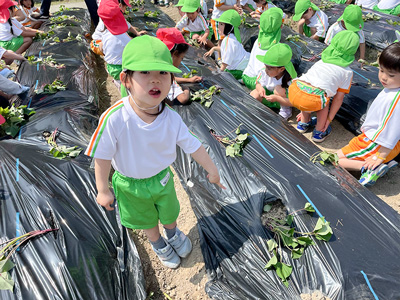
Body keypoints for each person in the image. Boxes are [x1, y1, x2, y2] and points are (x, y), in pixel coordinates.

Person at [85, 35, 225, 268]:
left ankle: (172, 233)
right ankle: (157, 242)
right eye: (145, 73)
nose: (155, 81)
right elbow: (102, 155)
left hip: (161, 178)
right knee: (146, 219)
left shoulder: (171, 118)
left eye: (162, 73)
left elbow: (193, 145)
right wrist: (103, 189)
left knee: (169, 211)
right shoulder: (115, 118)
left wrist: (212, 170)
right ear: (126, 79)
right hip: (130, 185)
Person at [266, 30, 359, 142]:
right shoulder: (347, 72)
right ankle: (319, 132)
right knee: (324, 101)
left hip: (295, 91)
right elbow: (338, 99)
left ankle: (303, 124)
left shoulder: (321, 62)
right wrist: (329, 120)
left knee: (311, 90)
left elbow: (308, 83)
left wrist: (302, 107)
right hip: (310, 99)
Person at [337, 42, 400, 186]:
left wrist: (379, 157)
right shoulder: (393, 89)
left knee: (334, 160)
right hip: (374, 141)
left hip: (376, 144)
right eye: (381, 70)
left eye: (390, 75)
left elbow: (391, 131)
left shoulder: (395, 100)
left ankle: (371, 168)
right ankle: (384, 162)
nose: (383, 77)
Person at [242, 7, 285, 113]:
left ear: (260, 26)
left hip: (247, 77)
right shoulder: (276, 47)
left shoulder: (258, 40)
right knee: (282, 92)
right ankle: (273, 104)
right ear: (281, 26)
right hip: (260, 81)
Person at [250, 43, 297, 120]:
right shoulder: (264, 72)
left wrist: (277, 99)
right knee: (254, 93)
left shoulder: (291, 80)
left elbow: (294, 102)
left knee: (279, 89)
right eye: (266, 66)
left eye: (269, 68)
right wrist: (260, 89)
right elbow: (258, 83)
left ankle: (285, 110)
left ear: (281, 69)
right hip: (268, 98)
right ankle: (256, 110)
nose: (266, 70)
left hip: (282, 101)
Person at [157, 27, 202, 105]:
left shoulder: (156, 61)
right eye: (182, 58)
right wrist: (186, 88)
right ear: (175, 54)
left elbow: (172, 79)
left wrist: (188, 80)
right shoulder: (164, 72)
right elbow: (183, 98)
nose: (181, 61)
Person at [205, 9, 250, 80]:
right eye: (219, 23)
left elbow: (226, 62)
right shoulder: (231, 37)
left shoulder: (229, 40)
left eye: (222, 24)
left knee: (226, 74)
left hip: (240, 69)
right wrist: (214, 48)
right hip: (245, 62)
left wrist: (219, 72)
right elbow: (226, 50)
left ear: (229, 27)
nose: (218, 26)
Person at [97, 0, 132, 81]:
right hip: (121, 69)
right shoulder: (123, 36)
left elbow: (101, 48)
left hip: (110, 67)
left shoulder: (105, 34)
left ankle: (116, 81)